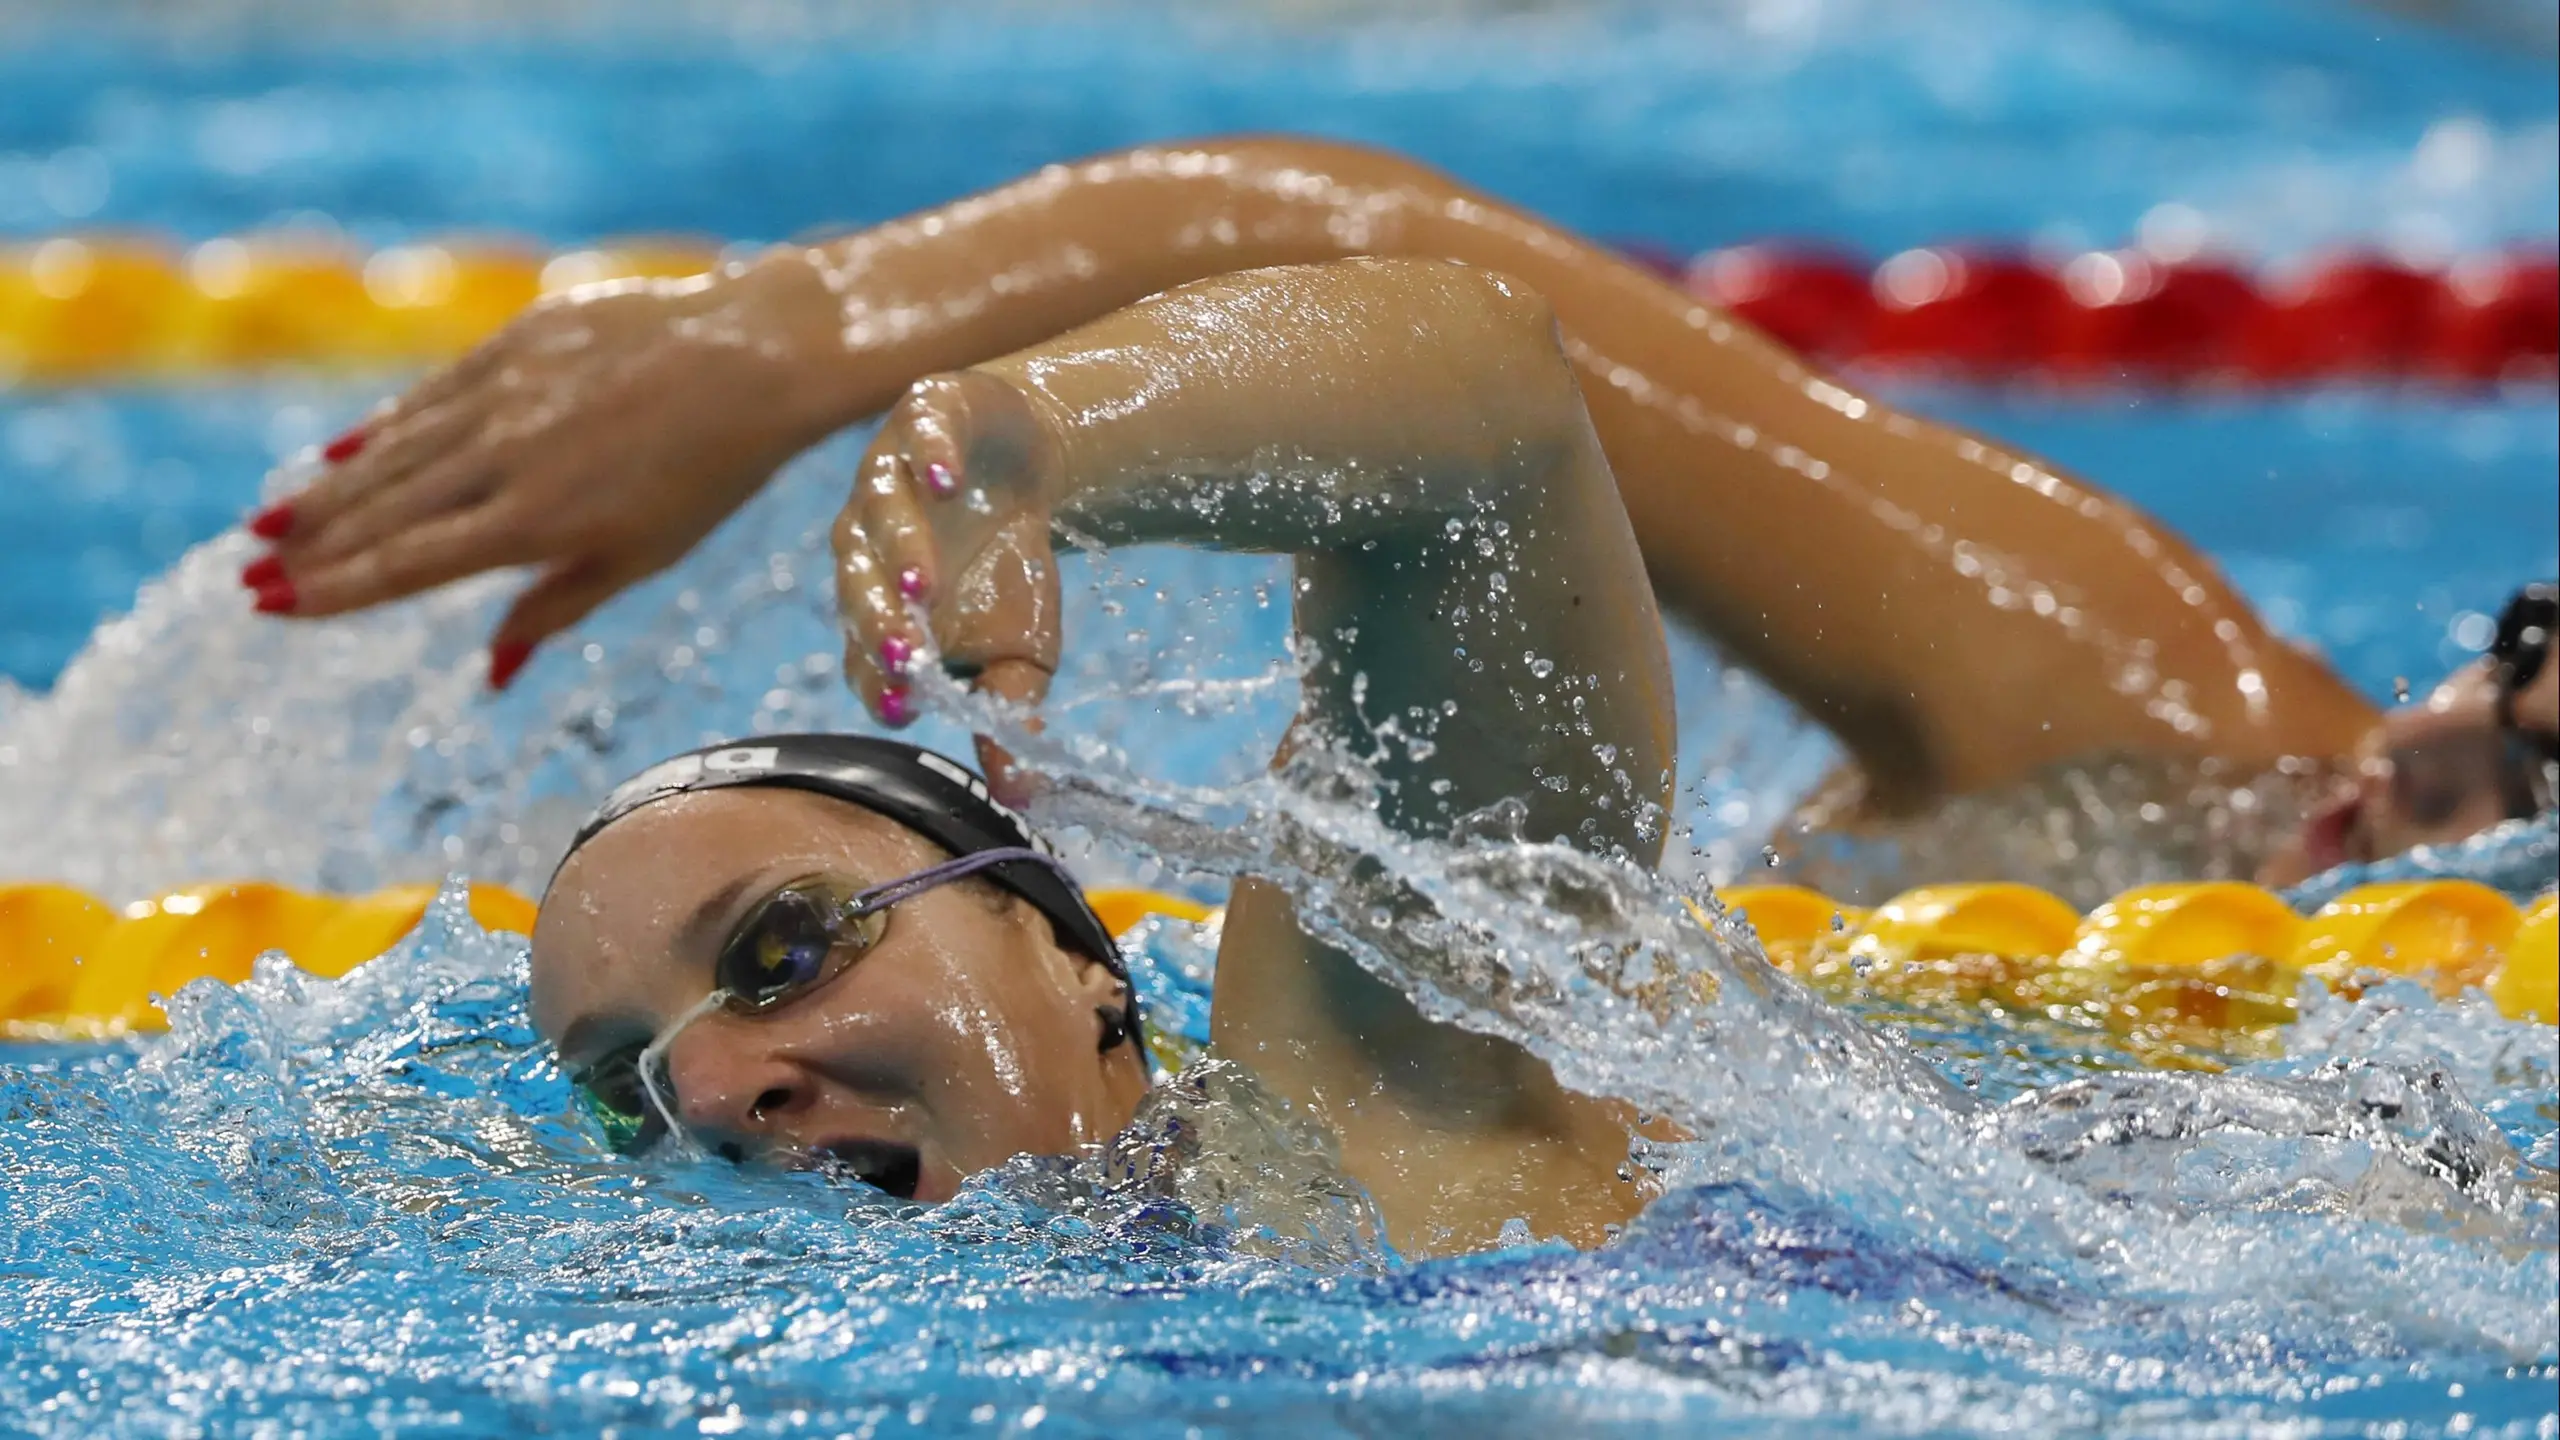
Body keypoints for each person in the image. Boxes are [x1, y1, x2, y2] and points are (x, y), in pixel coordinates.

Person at [235, 134, 2553, 898]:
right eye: (2505, 679)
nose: (2435, 768)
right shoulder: (2139, 707)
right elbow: (1411, 287)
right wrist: (801, 333)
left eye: (2532, 791)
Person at [529, 259, 1675, 1256]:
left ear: (1066, 956)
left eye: (784, 947)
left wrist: (1040, 434)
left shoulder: (1344, 1149)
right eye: (630, 1092)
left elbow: (1499, 406)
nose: (714, 1096)